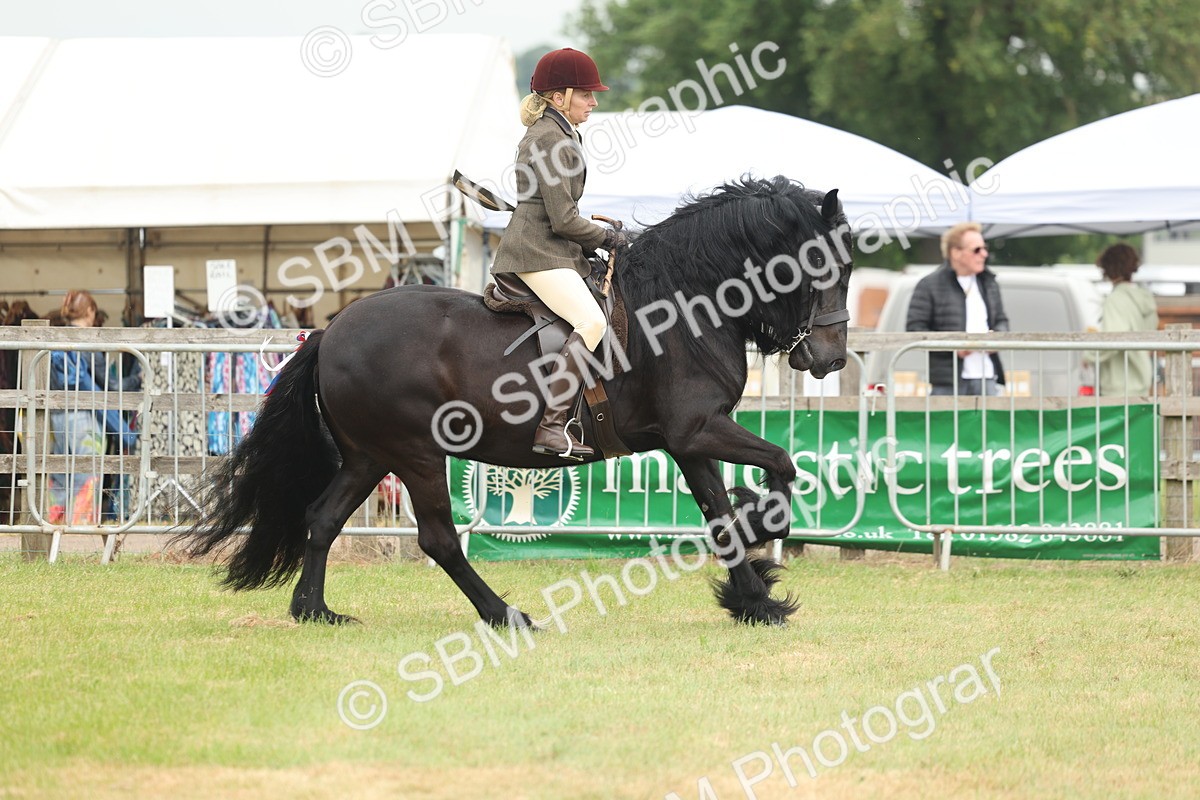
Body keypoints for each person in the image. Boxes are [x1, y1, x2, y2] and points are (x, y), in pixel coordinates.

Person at [490, 47, 625, 460]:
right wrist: (607, 239)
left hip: (550, 248)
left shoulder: (561, 131)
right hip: (537, 252)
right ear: (560, 95)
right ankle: (551, 427)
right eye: (586, 94)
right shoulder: (550, 137)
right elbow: (565, 220)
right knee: (591, 321)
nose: (594, 102)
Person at [46, 290, 139, 525]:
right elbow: (113, 386)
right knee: (87, 473)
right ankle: (82, 527)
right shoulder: (89, 343)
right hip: (86, 418)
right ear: (90, 311)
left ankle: (56, 523)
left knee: (60, 473)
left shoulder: (54, 339)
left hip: (57, 417)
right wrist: (137, 378)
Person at [906, 222, 1010, 396]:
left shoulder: (989, 283)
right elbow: (915, 329)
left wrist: (996, 337)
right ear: (955, 253)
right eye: (977, 250)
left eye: (985, 248)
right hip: (948, 381)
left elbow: (1002, 321)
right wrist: (954, 347)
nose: (984, 254)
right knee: (945, 424)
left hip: (987, 377)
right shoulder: (929, 285)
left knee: (988, 424)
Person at [1089, 243, 1159, 395]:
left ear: (1108, 268)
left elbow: (1113, 340)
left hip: (1119, 384)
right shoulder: (1146, 299)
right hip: (1142, 380)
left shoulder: (1115, 300)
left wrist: (1088, 354)